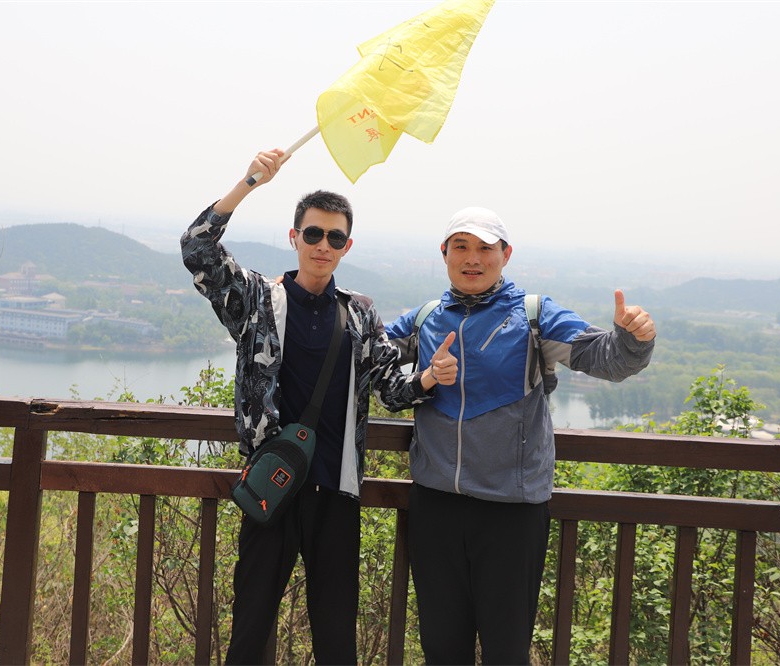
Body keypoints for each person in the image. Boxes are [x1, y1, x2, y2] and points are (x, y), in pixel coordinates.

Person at [180, 149, 452, 665]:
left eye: (335, 238)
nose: (323, 246)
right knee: (249, 629)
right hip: (271, 488)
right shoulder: (259, 301)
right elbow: (197, 246)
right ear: (294, 237)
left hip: (335, 490)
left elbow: (388, 388)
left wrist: (427, 378)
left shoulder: (359, 313)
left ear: (347, 246)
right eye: (313, 234)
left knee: (335, 638)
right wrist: (249, 182)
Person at [384, 207, 656, 665]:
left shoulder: (534, 315)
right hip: (434, 504)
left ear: (505, 255)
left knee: (506, 651)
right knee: (441, 648)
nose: (473, 258)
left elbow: (607, 360)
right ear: (445, 254)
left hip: (511, 510)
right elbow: (365, 356)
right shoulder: (425, 318)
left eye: (485, 248)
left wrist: (634, 339)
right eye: (461, 247)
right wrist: (296, 291)